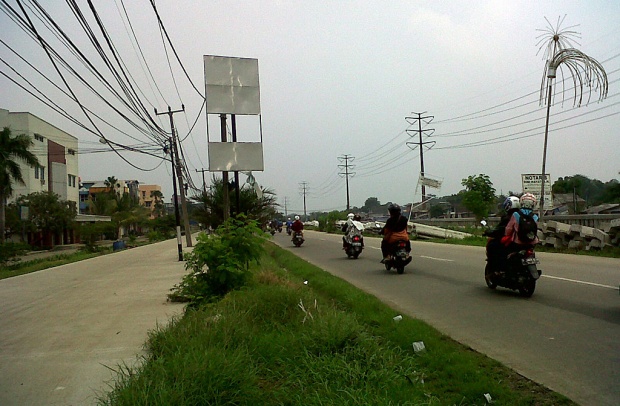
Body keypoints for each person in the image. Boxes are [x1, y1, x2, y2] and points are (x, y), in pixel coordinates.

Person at [485, 196, 520, 271]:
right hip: (522, 241)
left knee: (492, 245)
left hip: (512, 241)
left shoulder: (508, 217)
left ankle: (497, 267)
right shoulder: (523, 215)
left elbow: (500, 230)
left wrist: (489, 232)